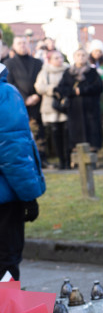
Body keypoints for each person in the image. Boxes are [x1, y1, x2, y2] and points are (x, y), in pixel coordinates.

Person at [0, 62, 46, 281]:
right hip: (4, 199)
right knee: (5, 263)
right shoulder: (5, 93)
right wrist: (29, 196)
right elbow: (13, 152)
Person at [5, 36, 45, 162]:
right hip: (20, 104)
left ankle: (42, 158)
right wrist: (25, 98)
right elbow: (10, 84)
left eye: (24, 43)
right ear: (14, 46)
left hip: (38, 102)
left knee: (40, 131)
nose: (22, 45)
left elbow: (42, 81)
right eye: (19, 43)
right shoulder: (9, 64)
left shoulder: (37, 62)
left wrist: (37, 95)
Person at [58, 49, 103, 153]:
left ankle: (93, 156)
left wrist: (83, 90)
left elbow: (99, 87)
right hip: (74, 110)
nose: (81, 57)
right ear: (74, 57)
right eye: (78, 55)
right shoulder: (68, 73)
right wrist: (73, 91)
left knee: (92, 133)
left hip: (91, 108)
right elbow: (61, 88)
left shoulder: (92, 72)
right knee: (76, 134)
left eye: (83, 55)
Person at [34, 50, 71, 169]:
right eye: (56, 58)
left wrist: (63, 92)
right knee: (56, 134)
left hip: (65, 106)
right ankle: (61, 161)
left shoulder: (67, 70)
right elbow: (39, 86)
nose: (59, 60)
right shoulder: (45, 71)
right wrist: (52, 90)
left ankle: (68, 160)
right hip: (51, 106)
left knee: (67, 133)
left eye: (60, 57)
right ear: (50, 60)